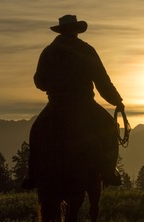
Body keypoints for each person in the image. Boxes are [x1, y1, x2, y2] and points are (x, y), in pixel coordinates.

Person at [22, 15, 124, 189]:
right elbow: (102, 81)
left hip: (56, 104)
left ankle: (32, 175)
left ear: (61, 31)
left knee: (37, 131)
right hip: (84, 104)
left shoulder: (48, 51)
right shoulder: (86, 50)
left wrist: (52, 86)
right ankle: (109, 172)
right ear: (76, 31)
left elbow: (39, 81)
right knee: (109, 127)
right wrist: (117, 101)